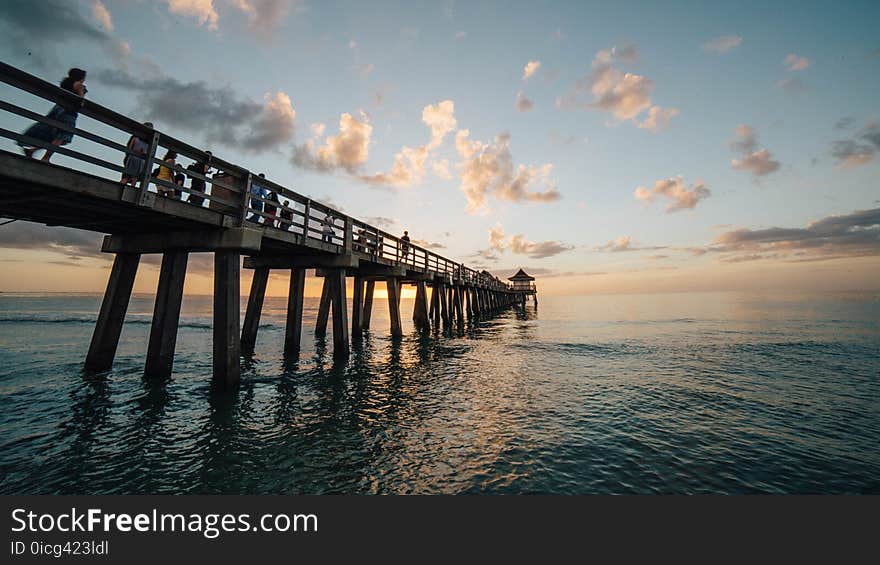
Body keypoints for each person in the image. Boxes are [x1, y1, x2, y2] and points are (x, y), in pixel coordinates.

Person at [19, 68, 87, 162]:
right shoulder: (79, 85)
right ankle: (46, 158)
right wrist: (82, 94)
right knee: (61, 136)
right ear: (81, 77)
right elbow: (80, 103)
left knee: (52, 134)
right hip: (68, 113)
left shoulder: (65, 83)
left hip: (58, 109)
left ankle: (32, 151)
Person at [120, 122, 153, 187]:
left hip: (132, 158)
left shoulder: (135, 138)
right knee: (134, 178)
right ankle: (132, 189)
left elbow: (129, 148)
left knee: (125, 177)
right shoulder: (149, 142)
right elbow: (148, 153)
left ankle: (119, 187)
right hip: (141, 161)